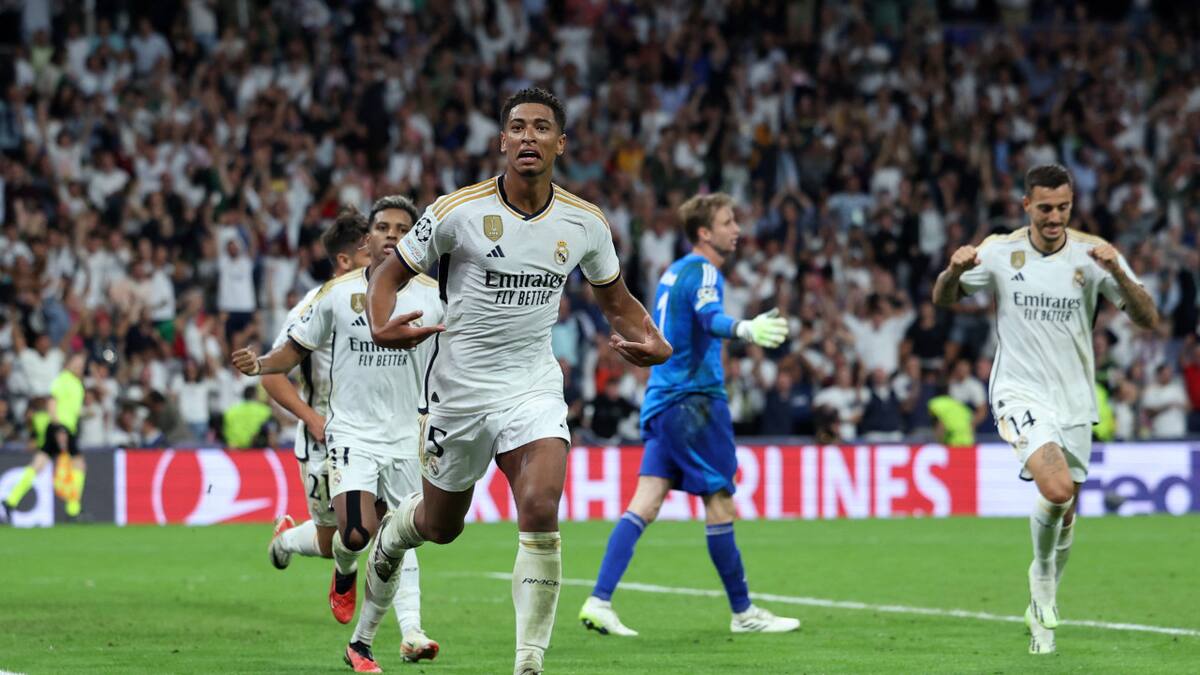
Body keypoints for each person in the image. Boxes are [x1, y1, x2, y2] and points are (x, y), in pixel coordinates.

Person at [363, 87, 672, 675]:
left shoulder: (584, 223)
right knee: (440, 525)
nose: (528, 136)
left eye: (541, 127)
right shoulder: (458, 211)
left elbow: (618, 303)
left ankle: (528, 663)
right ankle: (397, 530)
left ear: (561, 142)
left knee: (539, 504)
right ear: (502, 141)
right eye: (517, 127)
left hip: (532, 384)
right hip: (458, 391)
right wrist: (380, 323)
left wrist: (656, 342)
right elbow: (387, 275)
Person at [932, 163, 1158, 655]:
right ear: (1026, 206)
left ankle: (1039, 618)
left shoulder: (1095, 255)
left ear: (1071, 204)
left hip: (1074, 399)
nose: (1054, 217)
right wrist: (953, 270)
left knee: (1067, 509)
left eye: (1063, 208)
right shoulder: (999, 251)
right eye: (1045, 208)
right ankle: (1043, 584)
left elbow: (1148, 317)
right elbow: (943, 298)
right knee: (1055, 490)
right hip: (1018, 391)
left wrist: (1118, 270)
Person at [577, 192, 800, 637]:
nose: (736, 229)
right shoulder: (702, 271)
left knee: (646, 501)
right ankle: (743, 613)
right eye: (727, 221)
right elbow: (709, 317)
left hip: (662, 400)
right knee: (719, 500)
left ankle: (599, 600)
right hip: (694, 403)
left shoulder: (672, 272)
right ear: (704, 232)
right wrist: (746, 328)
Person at [232, 202, 443, 671]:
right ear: (364, 242)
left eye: (402, 230)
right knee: (349, 536)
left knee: (396, 537)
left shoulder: (433, 296)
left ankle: (394, 635)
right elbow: (281, 360)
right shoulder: (329, 297)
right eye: (382, 228)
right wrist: (264, 371)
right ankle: (332, 566)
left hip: (404, 438)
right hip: (338, 433)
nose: (391, 236)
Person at [260, 213, 369, 570]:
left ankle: (402, 619)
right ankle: (288, 539)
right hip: (324, 438)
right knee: (330, 541)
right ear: (344, 261)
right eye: (369, 254)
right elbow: (272, 374)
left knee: (381, 524)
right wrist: (311, 418)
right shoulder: (312, 307)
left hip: (374, 433)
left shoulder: (387, 298)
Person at [3, 352, 87, 519]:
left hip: (63, 427)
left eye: (81, 365)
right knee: (79, 464)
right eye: (76, 363)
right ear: (68, 364)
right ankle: (73, 509)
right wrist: (58, 428)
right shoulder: (63, 380)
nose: (79, 367)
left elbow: (73, 409)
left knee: (39, 464)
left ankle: (11, 501)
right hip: (61, 428)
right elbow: (51, 402)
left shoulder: (77, 384)